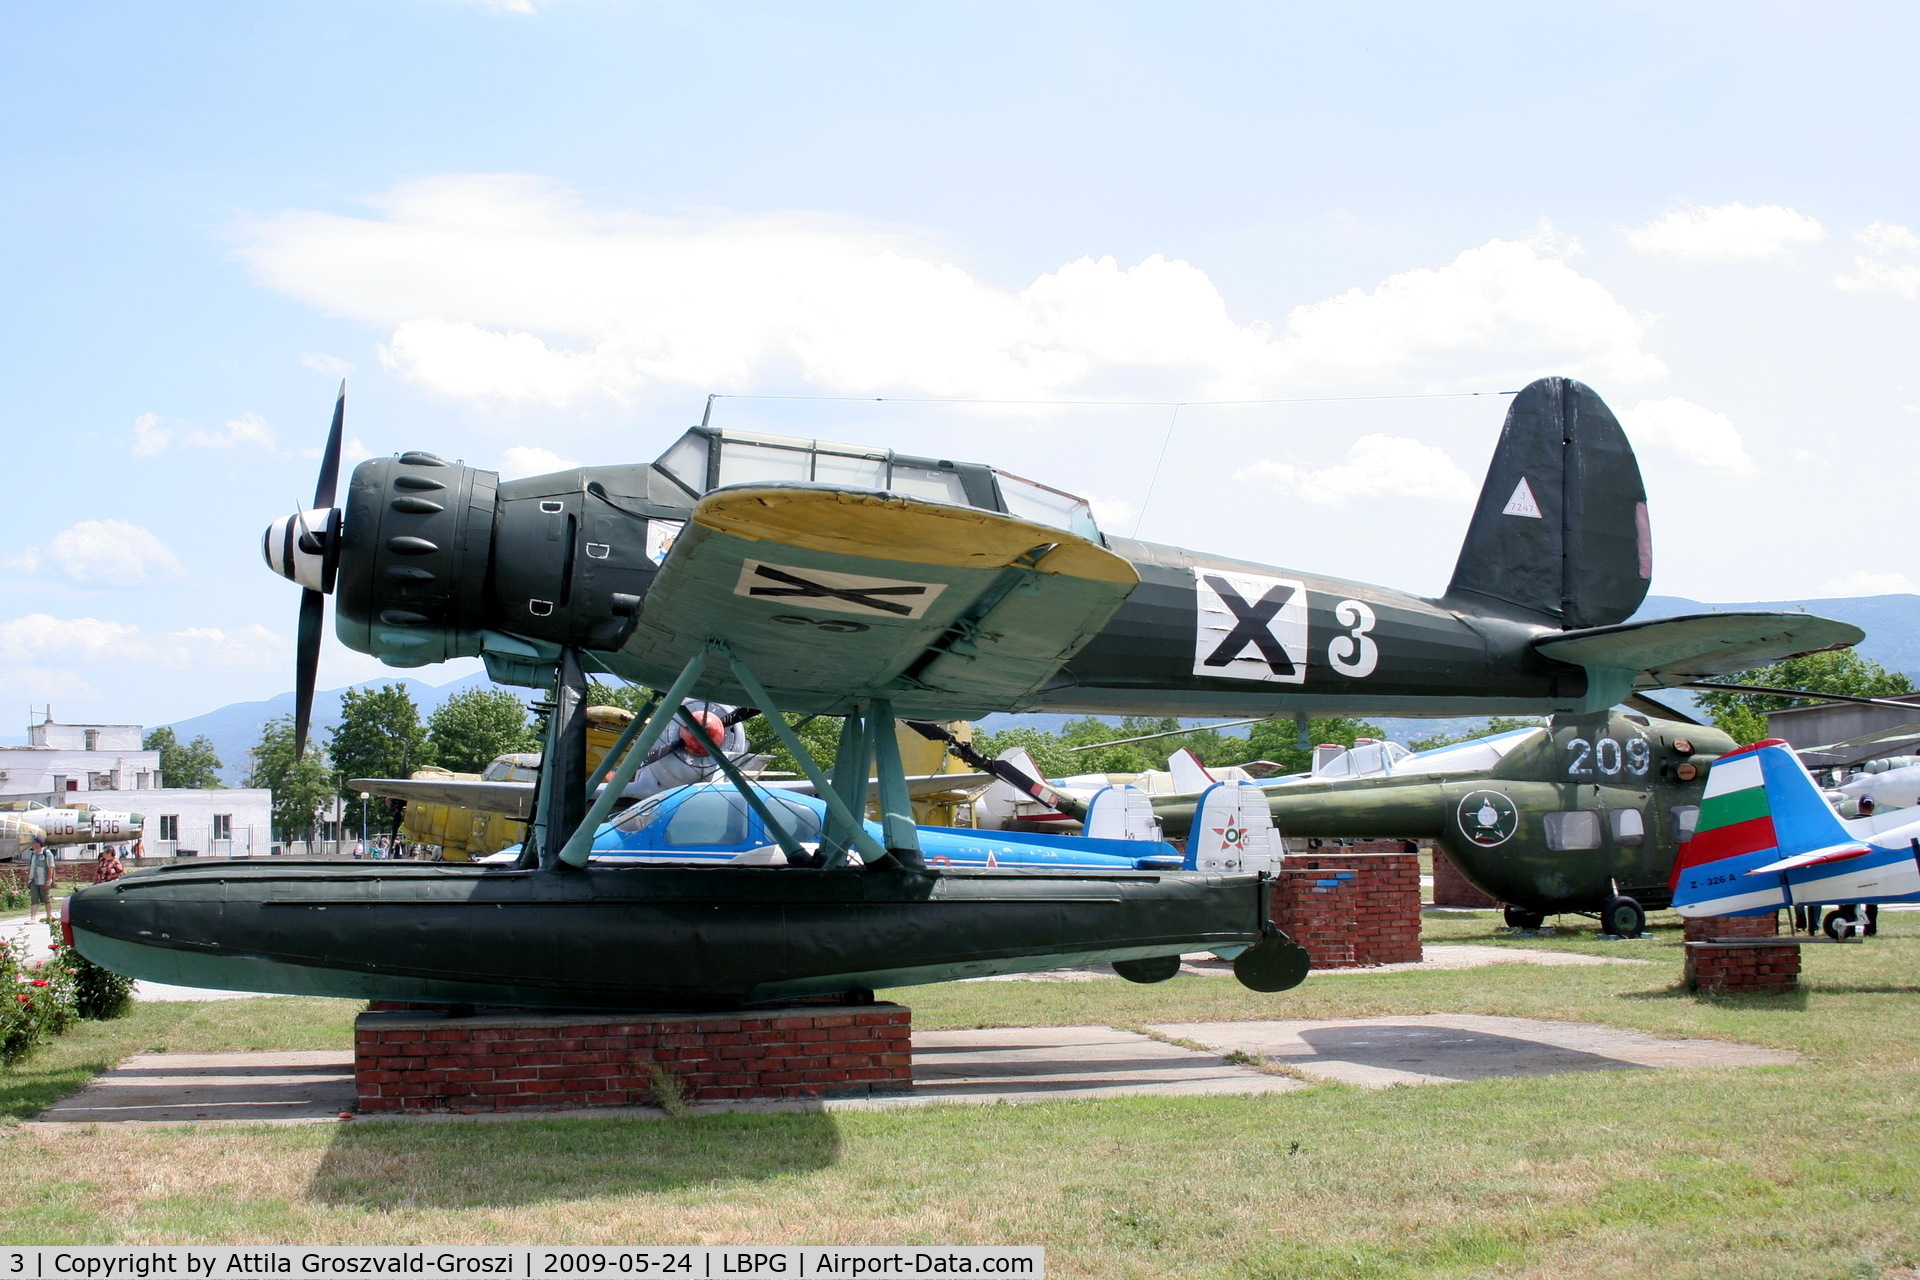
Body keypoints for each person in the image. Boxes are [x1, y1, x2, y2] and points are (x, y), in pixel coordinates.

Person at [25, 836, 56, 923]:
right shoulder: (33, 854)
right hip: (34, 879)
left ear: (38, 843)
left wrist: (49, 880)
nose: (32, 844)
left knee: (46, 898)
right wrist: (28, 880)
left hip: (44, 879)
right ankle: (32, 918)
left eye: (33, 842)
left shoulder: (47, 853)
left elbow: (51, 867)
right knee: (34, 898)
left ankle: (49, 916)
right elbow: (31, 866)